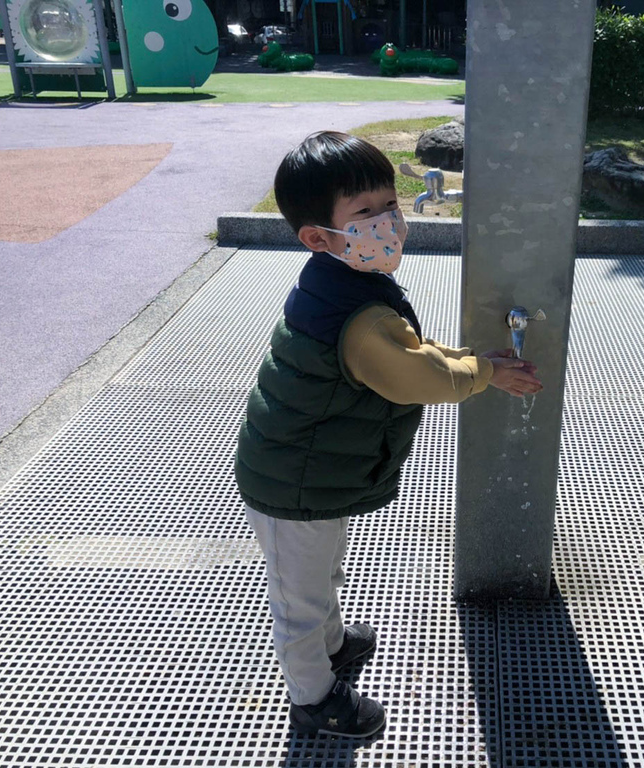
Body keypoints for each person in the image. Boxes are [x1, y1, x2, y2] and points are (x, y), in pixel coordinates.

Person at [234, 131, 543, 739]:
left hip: (310, 469)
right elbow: (413, 375)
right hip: (296, 479)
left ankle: (332, 643)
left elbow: (407, 349)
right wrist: (485, 371)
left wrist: (463, 354)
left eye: (389, 204)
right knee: (298, 594)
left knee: (320, 572)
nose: (388, 221)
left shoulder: (341, 280)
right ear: (319, 237)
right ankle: (314, 696)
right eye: (365, 212)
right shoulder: (358, 311)